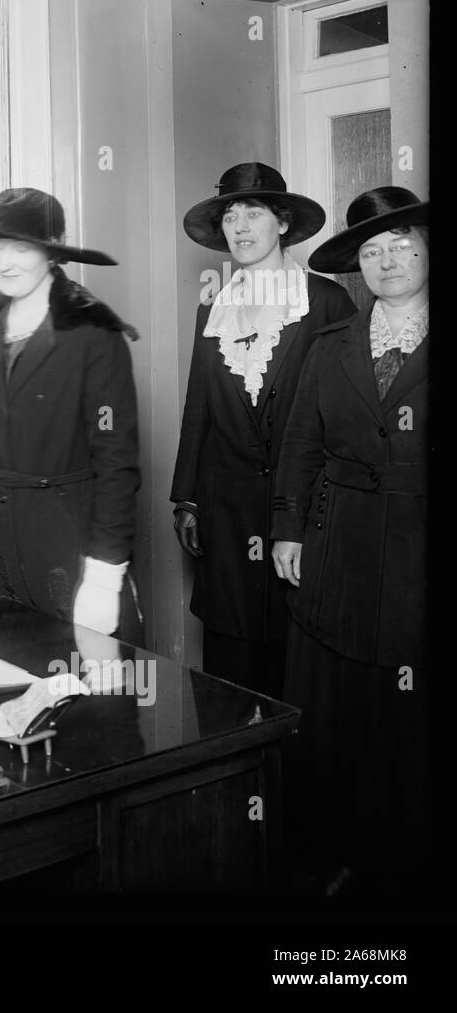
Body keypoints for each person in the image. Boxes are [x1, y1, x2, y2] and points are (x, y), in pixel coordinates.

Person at [270, 187, 429, 894]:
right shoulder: (331, 343)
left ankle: (407, 856)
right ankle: (340, 851)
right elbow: (300, 440)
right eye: (371, 251)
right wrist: (287, 529)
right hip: (338, 544)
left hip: (420, 557)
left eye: (401, 245)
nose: (387, 260)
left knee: (408, 704)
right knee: (341, 706)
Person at [0, 188, 143, 642]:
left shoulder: (93, 333)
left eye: (21, 247)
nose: (5, 261)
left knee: (83, 696)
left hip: (64, 550)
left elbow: (117, 465)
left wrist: (104, 576)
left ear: (51, 253)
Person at [171, 163, 356, 698]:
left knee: (298, 658)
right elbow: (199, 402)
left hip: (302, 512)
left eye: (254, 212)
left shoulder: (324, 301)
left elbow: (342, 414)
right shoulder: (215, 303)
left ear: (282, 223)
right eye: (230, 215)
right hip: (225, 507)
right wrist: (187, 497)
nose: (241, 226)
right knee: (231, 666)